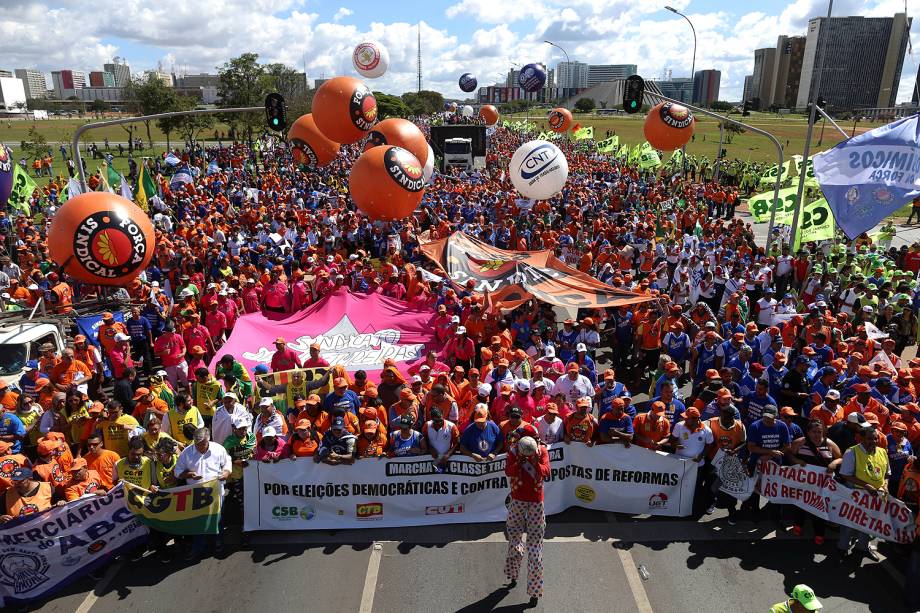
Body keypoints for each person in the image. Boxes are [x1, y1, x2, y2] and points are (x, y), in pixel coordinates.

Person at [504, 436, 551, 606]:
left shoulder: (542, 451)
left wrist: (536, 462)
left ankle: (535, 591)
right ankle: (513, 574)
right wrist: (519, 461)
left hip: (536, 503)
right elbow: (508, 471)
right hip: (517, 501)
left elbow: (546, 472)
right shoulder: (513, 452)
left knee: (535, 547)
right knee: (514, 539)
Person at [174, 427, 231, 559]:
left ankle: (218, 543)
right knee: (198, 522)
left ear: (208, 439)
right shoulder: (187, 453)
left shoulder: (218, 449)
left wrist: (226, 472)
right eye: (196, 444)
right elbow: (177, 472)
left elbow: (227, 462)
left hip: (216, 493)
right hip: (196, 496)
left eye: (202, 444)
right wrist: (188, 475)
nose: (199, 447)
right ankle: (199, 547)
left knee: (217, 520)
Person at [837, 423, 889, 561]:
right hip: (855, 495)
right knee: (849, 522)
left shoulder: (882, 452)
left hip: (875, 497)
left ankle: (862, 548)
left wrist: (885, 485)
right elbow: (845, 474)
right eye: (870, 439)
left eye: (876, 438)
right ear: (861, 438)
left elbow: (887, 474)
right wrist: (866, 486)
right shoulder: (851, 452)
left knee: (869, 524)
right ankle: (842, 548)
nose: (874, 441)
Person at [786, 420, 842, 545]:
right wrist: (796, 460)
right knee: (800, 504)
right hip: (803, 483)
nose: (817, 435)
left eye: (819, 432)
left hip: (822, 484)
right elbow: (789, 455)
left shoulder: (829, 444)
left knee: (819, 507)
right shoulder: (800, 443)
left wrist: (834, 463)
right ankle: (798, 525)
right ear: (808, 432)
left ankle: (819, 533)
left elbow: (840, 458)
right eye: (814, 432)